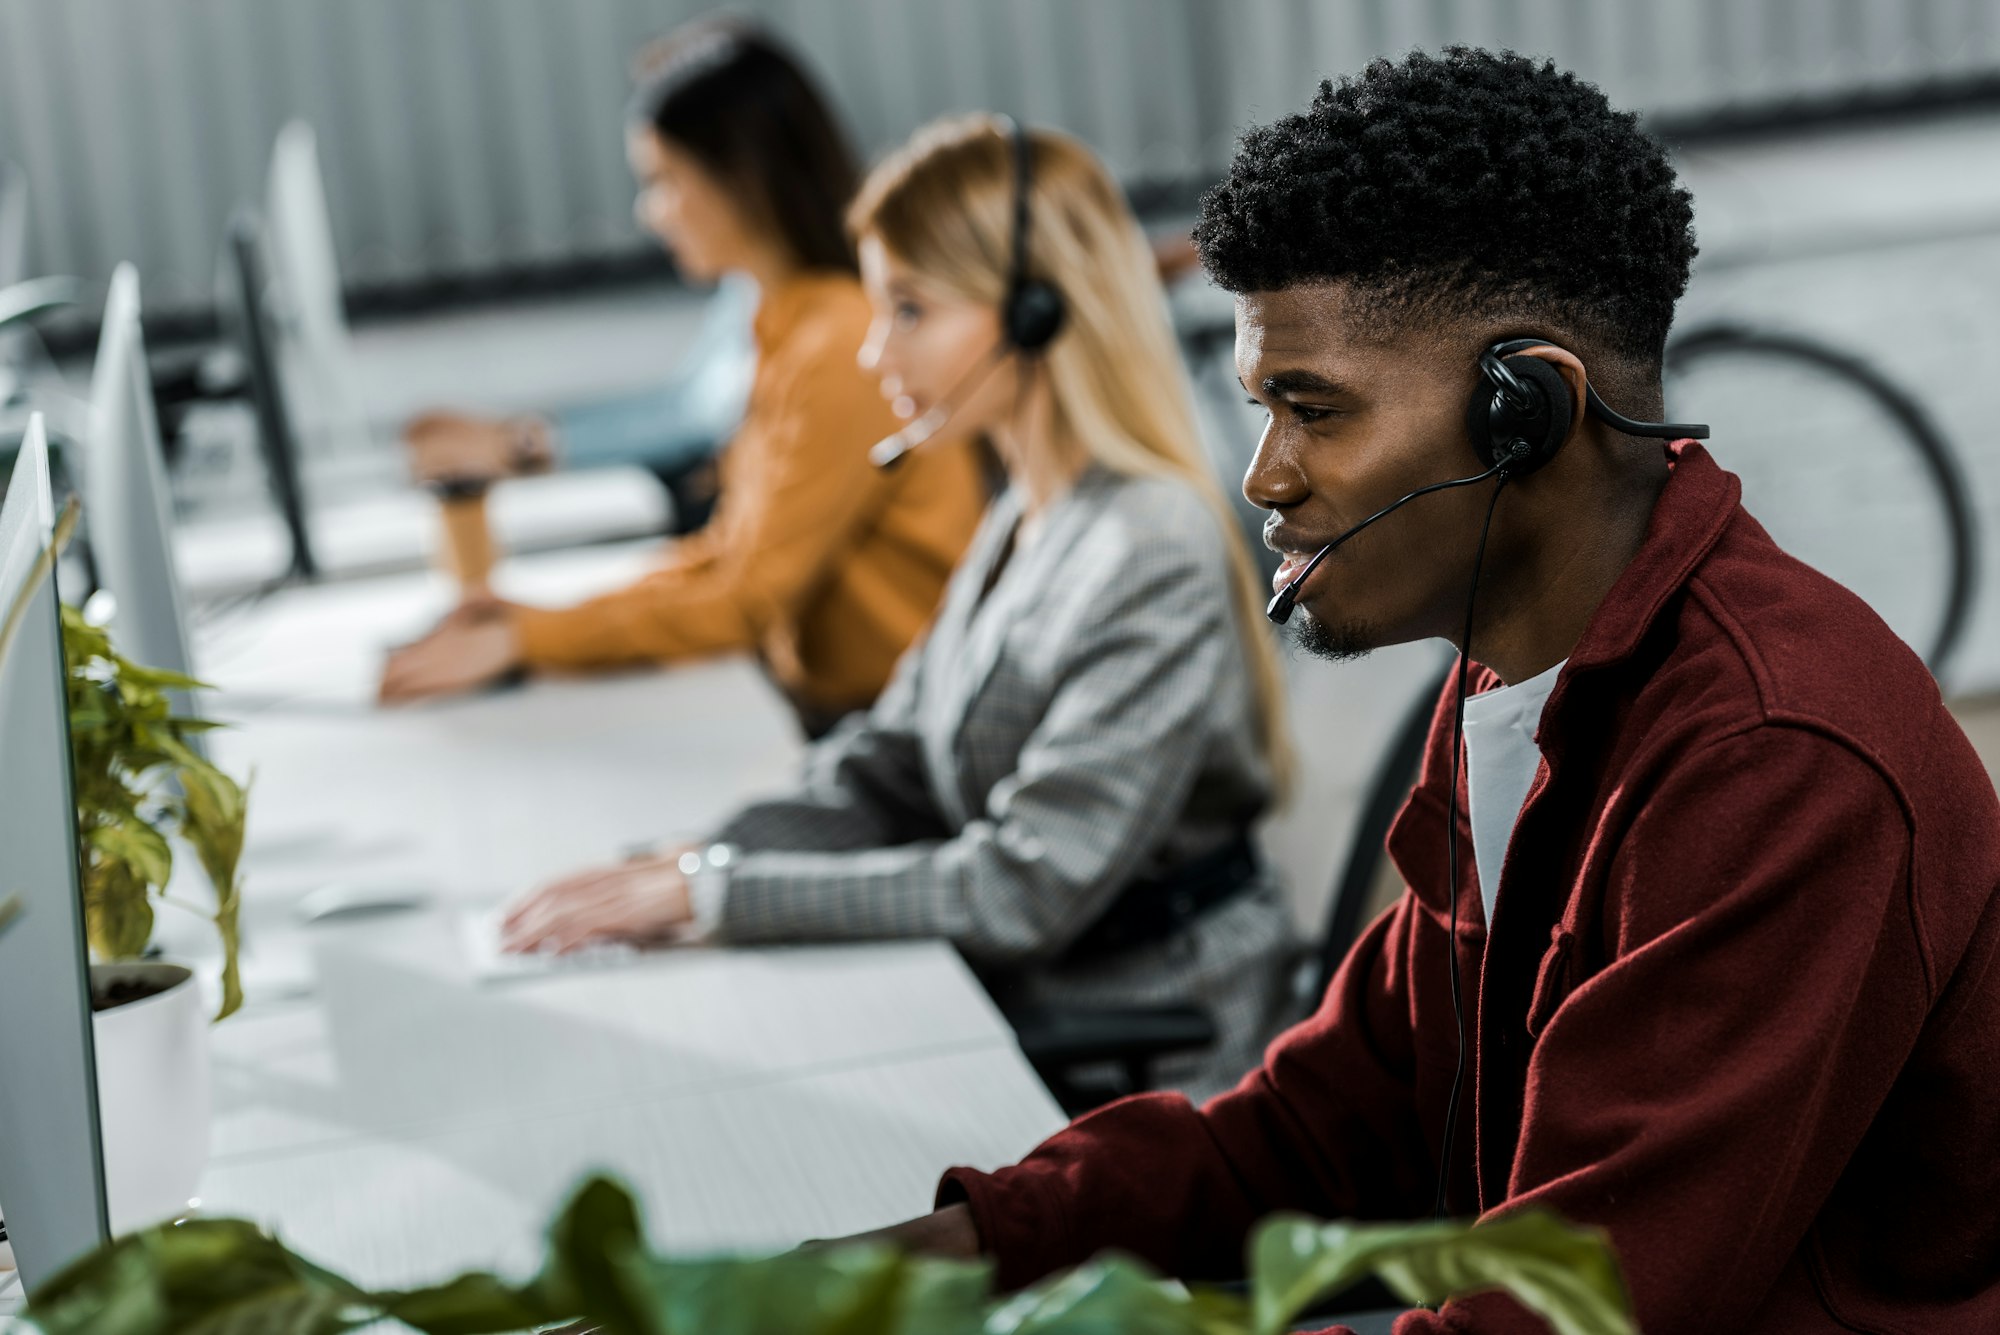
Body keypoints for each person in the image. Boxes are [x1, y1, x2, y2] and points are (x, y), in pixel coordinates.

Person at [841, 51, 2000, 1334]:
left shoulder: (1774, 763)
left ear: (1529, 413)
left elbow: (1562, 1312)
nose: (1263, 478)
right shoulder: (1517, 687)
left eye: (1312, 410)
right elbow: (1318, 1124)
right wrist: (895, 1262)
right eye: (1257, 408)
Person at [500, 115, 1302, 1099]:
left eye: (909, 310)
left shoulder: (1147, 550)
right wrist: (707, 853)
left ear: (1034, 314)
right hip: (1031, 997)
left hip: (1152, 1047)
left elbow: (1022, 888)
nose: (877, 354)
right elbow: (889, 762)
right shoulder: (1027, 510)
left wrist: (718, 894)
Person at [378, 19, 986, 736]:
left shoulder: (839, 344)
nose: (651, 213)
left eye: (665, 182)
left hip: (886, 724)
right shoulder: (777, 323)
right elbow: (731, 549)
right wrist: (539, 621)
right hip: (828, 709)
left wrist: (529, 641)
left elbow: (746, 600)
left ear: (742, 179)